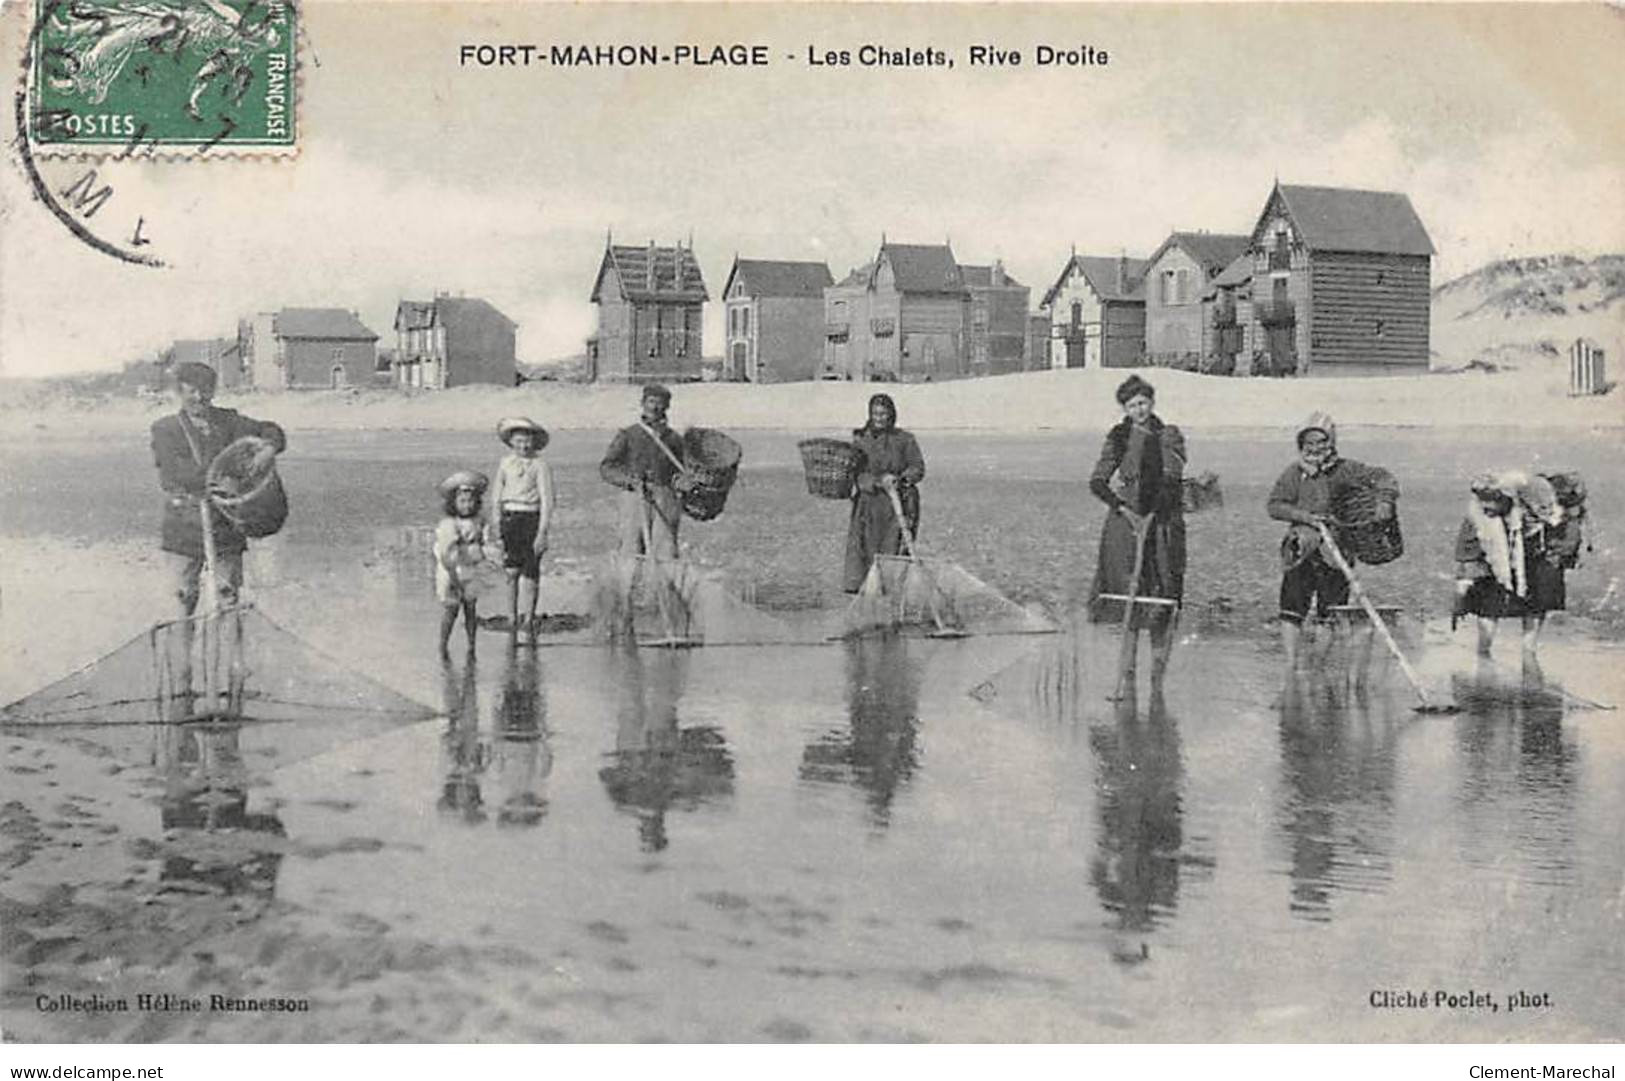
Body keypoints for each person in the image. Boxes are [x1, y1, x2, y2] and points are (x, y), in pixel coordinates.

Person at [150, 361, 286, 618]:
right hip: (183, 528)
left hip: (224, 526)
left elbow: (272, 430)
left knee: (228, 599)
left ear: (213, 391)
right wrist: (220, 479)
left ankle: (231, 657)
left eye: (205, 391)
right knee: (182, 600)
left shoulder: (229, 421)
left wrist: (268, 448)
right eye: (191, 391)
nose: (199, 398)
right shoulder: (165, 429)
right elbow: (172, 473)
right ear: (180, 392)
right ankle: (183, 657)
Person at [1266, 412, 1398, 672]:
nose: (1315, 449)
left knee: (1332, 612)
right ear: (1301, 446)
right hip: (1301, 549)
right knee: (1291, 610)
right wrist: (1305, 517)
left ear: (1332, 443)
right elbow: (1274, 505)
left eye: (1321, 442)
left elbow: (1385, 478)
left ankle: (1316, 665)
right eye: (1308, 443)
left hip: (1336, 550)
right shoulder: (1294, 473)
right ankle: (1292, 668)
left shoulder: (1346, 470)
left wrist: (1385, 501)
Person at [1087, 375, 1187, 688]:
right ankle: (1127, 675)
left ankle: (1157, 677)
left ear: (1152, 402)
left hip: (1161, 521)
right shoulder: (1118, 436)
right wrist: (1123, 509)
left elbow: (1171, 477)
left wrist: (1152, 513)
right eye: (1132, 406)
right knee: (1127, 596)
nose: (1139, 410)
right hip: (1123, 525)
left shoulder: (1168, 434)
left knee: (1160, 593)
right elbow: (1098, 480)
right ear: (1125, 408)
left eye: (1143, 403)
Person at [1454, 471, 1582, 666]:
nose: (1487, 508)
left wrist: (1558, 556)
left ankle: (1529, 652)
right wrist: (1461, 592)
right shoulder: (1479, 517)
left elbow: (1566, 534)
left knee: (1538, 599)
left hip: (1537, 551)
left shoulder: (1541, 506)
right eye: (1484, 504)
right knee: (1489, 601)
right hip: (1498, 555)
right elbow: (1468, 554)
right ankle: (1483, 651)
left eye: (1491, 504)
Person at [842, 393, 926, 593]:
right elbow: (856, 474)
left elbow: (918, 467)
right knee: (866, 551)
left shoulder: (905, 439)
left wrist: (901, 479)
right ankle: (865, 592)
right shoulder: (862, 441)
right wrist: (876, 482)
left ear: (891, 415)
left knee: (895, 549)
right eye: (875, 414)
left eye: (883, 414)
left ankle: (892, 592)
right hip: (869, 507)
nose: (879, 418)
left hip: (898, 505)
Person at [600, 384, 688, 559]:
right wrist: (629, 481)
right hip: (634, 497)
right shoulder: (629, 435)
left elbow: (683, 470)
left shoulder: (674, 439)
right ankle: (629, 585)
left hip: (665, 497)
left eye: (660, 403)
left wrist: (681, 482)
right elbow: (607, 467)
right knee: (630, 548)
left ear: (667, 407)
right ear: (642, 403)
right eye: (651, 401)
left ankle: (661, 585)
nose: (654, 407)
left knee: (666, 550)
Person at [491, 417, 555, 644]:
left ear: (534, 443)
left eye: (527, 441)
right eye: (518, 441)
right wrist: (496, 524)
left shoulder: (540, 465)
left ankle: (528, 616)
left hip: (532, 517)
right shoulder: (505, 463)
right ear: (511, 442)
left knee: (530, 571)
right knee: (511, 571)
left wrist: (542, 531)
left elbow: (548, 500)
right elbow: (496, 495)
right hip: (510, 518)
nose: (523, 446)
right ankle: (511, 616)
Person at [434, 470, 491, 657]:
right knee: (451, 608)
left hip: (471, 569)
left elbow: (487, 543)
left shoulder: (480, 521)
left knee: (471, 608)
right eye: (462, 501)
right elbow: (446, 553)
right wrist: (452, 577)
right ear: (453, 503)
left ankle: (471, 645)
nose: (467, 505)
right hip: (452, 569)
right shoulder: (449, 524)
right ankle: (443, 644)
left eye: (471, 501)